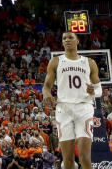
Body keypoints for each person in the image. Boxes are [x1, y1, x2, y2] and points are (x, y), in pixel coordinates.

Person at [43, 32, 102, 169]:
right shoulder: (56, 61)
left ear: (78, 41)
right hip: (63, 109)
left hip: (84, 108)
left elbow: (99, 90)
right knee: (68, 160)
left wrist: (93, 92)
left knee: (85, 157)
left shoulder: (89, 62)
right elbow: (46, 86)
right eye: (64, 38)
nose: (67, 40)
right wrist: (46, 94)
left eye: (71, 37)